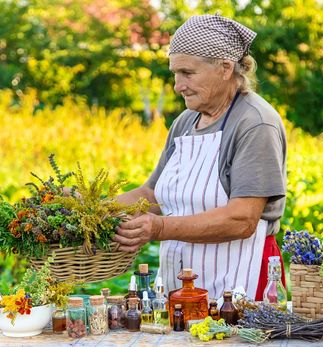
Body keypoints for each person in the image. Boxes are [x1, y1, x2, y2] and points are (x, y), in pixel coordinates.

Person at [114, 14, 287, 301]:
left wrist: (159, 228)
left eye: (187, 73)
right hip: (182, 282)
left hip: (239, 280)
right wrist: (92, 208)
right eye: (174, 73)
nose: (177, 85)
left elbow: (241, 219)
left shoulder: (255, 123)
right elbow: (152, 195)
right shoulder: (186, 121)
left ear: (224, 68)